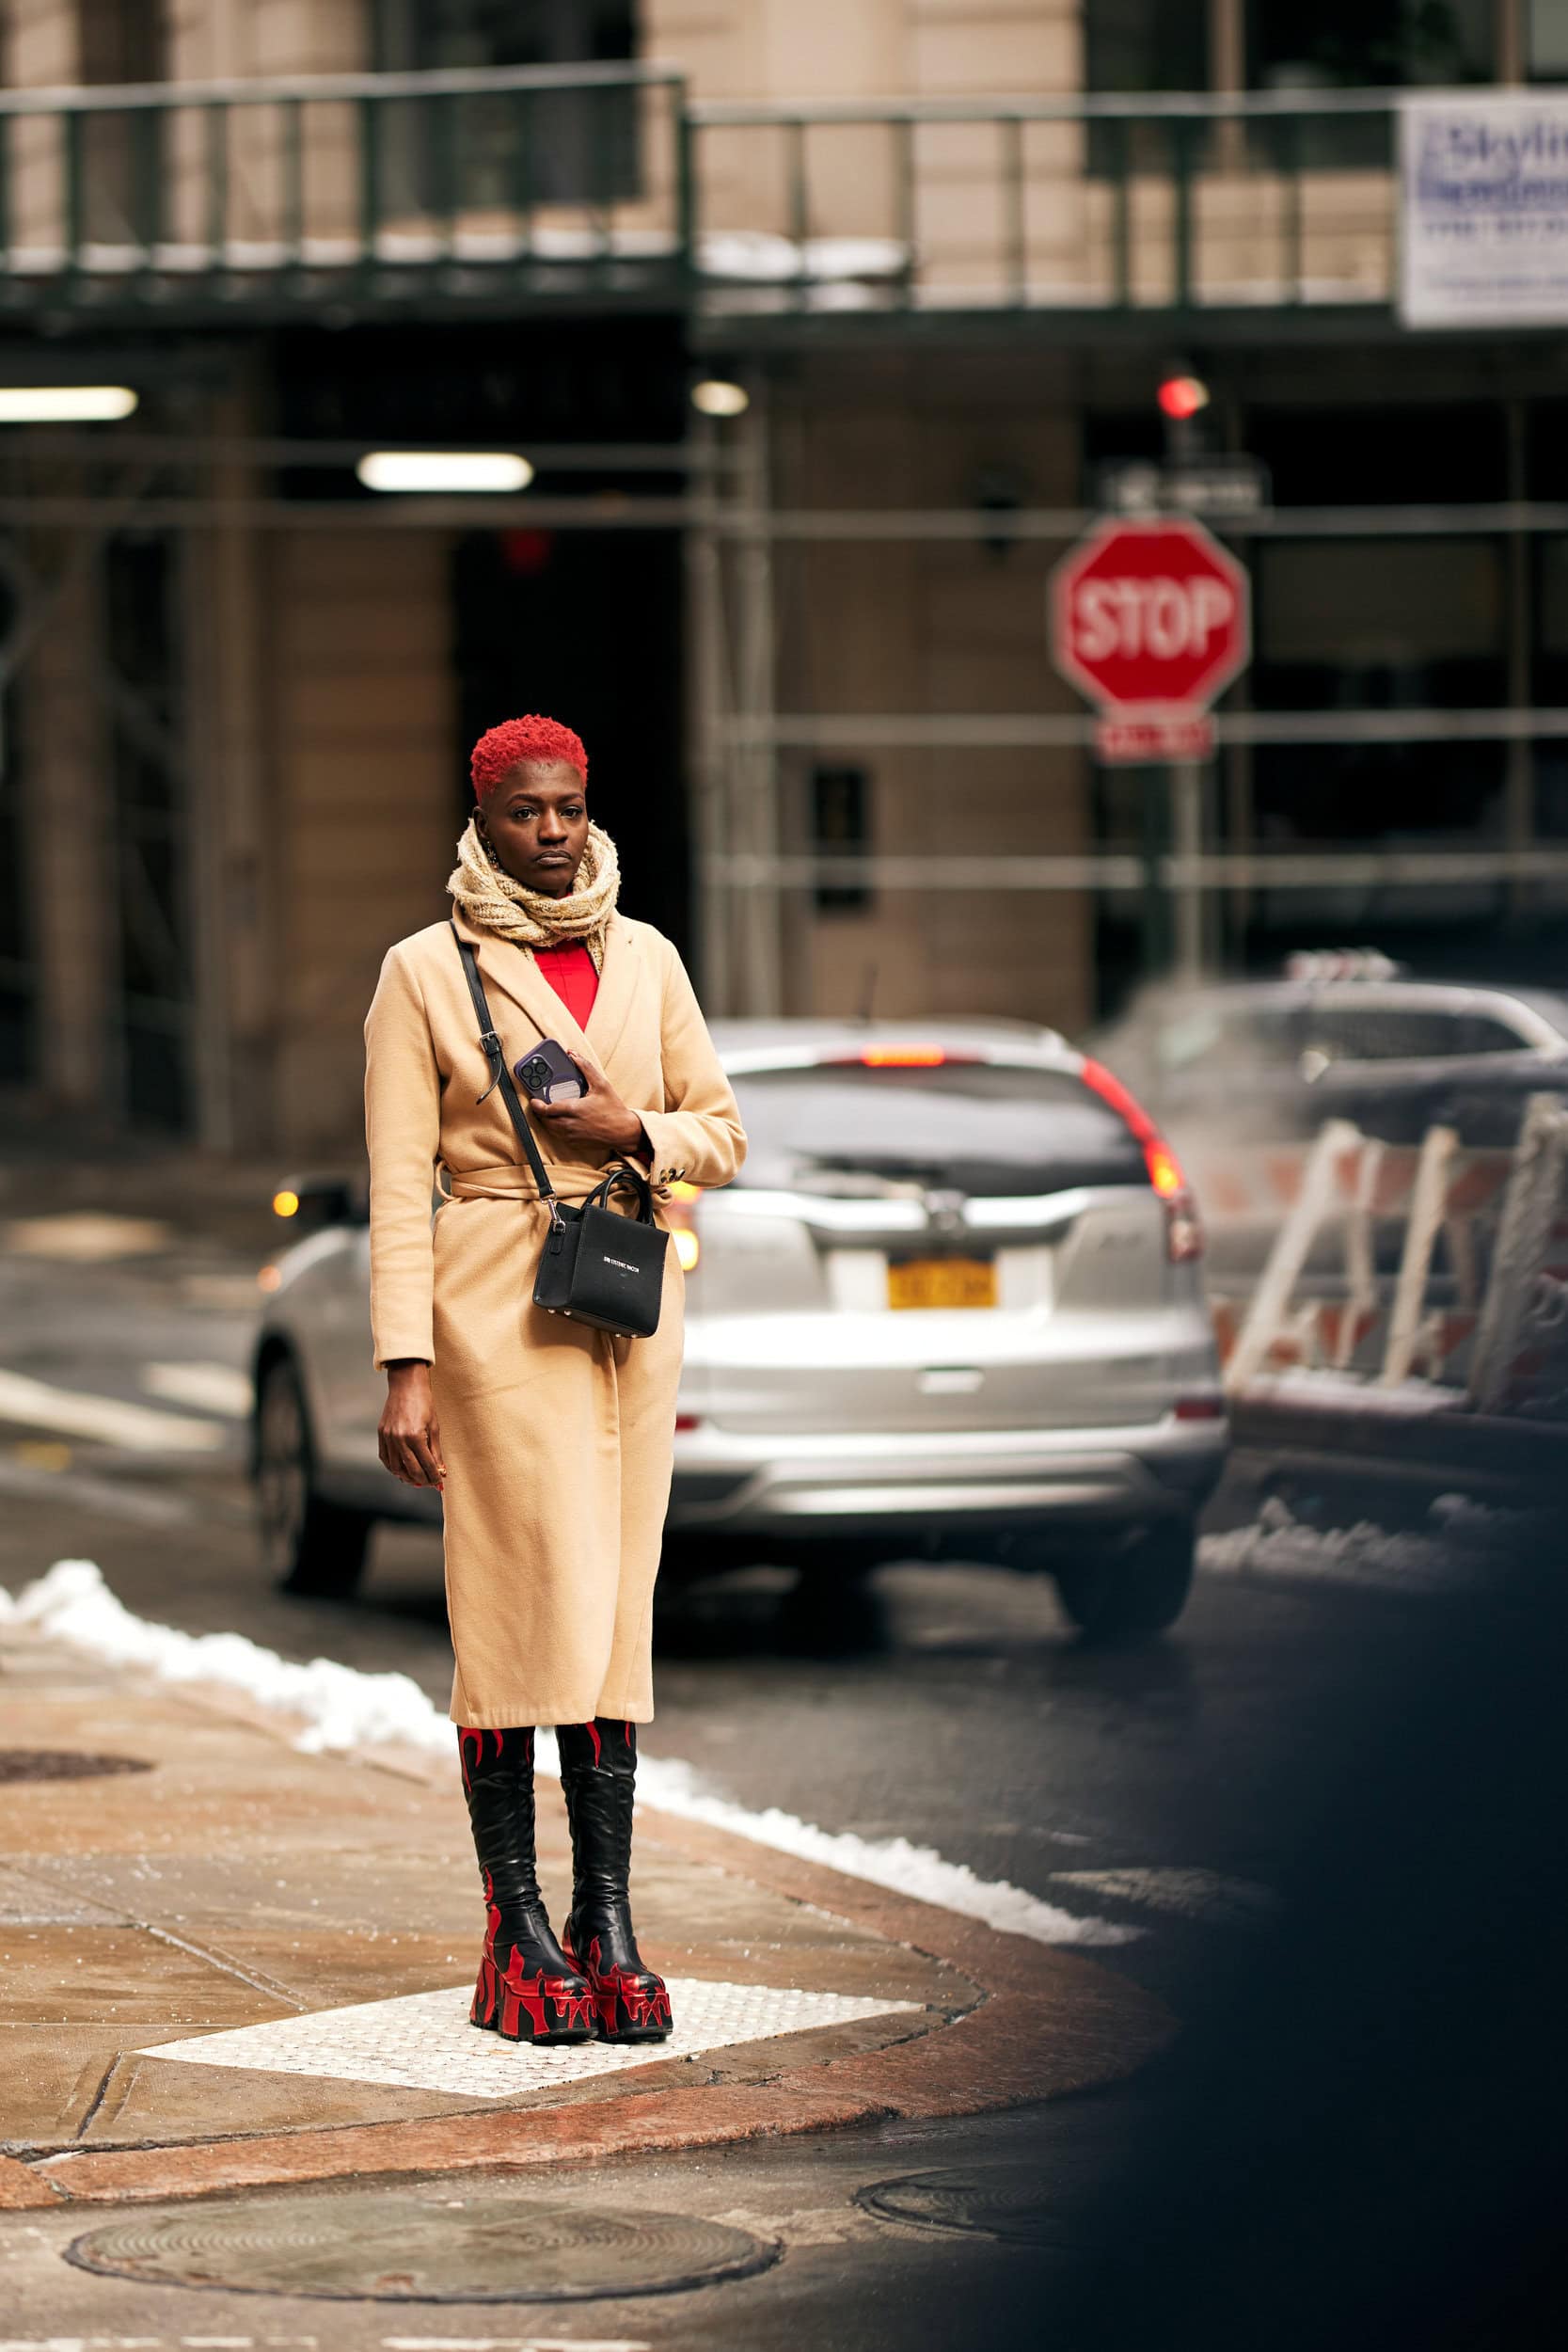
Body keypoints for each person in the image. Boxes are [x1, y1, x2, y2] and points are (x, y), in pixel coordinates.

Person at [363, 715, 746, 2046]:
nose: (555, 830)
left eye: (571, 806)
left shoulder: (648, 957)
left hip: (627, 1299)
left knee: (616, 1610)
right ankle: (515, 1921)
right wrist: (404, 1365)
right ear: (483, 816)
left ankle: (608, 1919)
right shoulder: (423, 971)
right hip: (492, 1303)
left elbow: (726, 1135)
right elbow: (398, 1191)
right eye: (528, 810)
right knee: (523, 1598)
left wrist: (630, 1127)